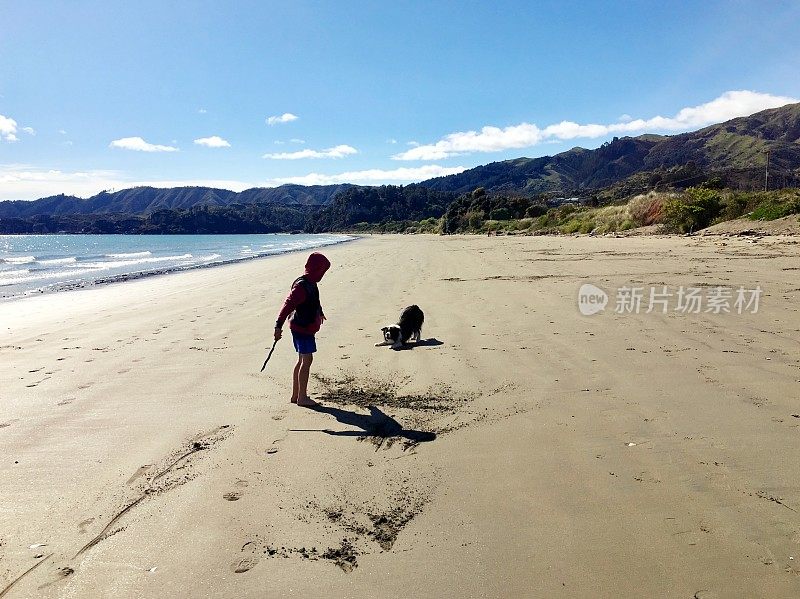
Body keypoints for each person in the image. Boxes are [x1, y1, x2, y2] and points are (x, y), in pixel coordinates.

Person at [274, 252, 331, 407]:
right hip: (302, 328)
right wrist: (278, 326)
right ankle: (302, 398)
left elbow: (314, 300)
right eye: (322, 271)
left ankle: (295, 395)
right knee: (307, 361)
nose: (323, 274)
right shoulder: (301, 287)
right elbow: (287, 305)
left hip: (302, 327)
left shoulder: (311, 282)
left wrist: (320, 312)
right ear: (315, 269)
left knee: (301, 360)